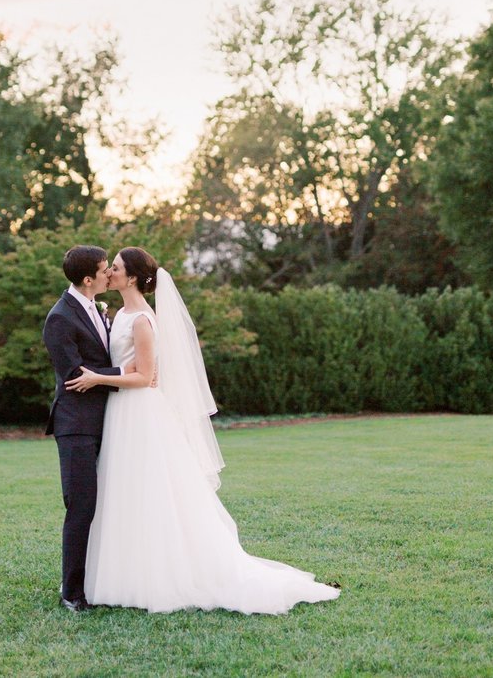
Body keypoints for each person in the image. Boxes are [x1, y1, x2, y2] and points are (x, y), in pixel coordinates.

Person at [64, 246, 341, 614]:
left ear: (131, 278)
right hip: (119, 412)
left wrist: (98, 377)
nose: (109, 273)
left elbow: (146, 377)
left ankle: (159, 575)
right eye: (108, 268)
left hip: (139, 413)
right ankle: (120, 572)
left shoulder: (144, 319)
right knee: (122, 491)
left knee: (149, 493)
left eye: (114, 268)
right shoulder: (117, 314)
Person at [42, 244, 124, 612]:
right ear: (89, 278)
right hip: (76, 424)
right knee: (81, 506)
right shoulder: (60, 318)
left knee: (104, 504)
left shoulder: (96, 308)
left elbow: (96, 367)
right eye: (105, 269)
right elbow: (76, 377)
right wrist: (128, 375)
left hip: (105, 420)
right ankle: (72, 593)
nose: (110, 274)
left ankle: (100, 579)